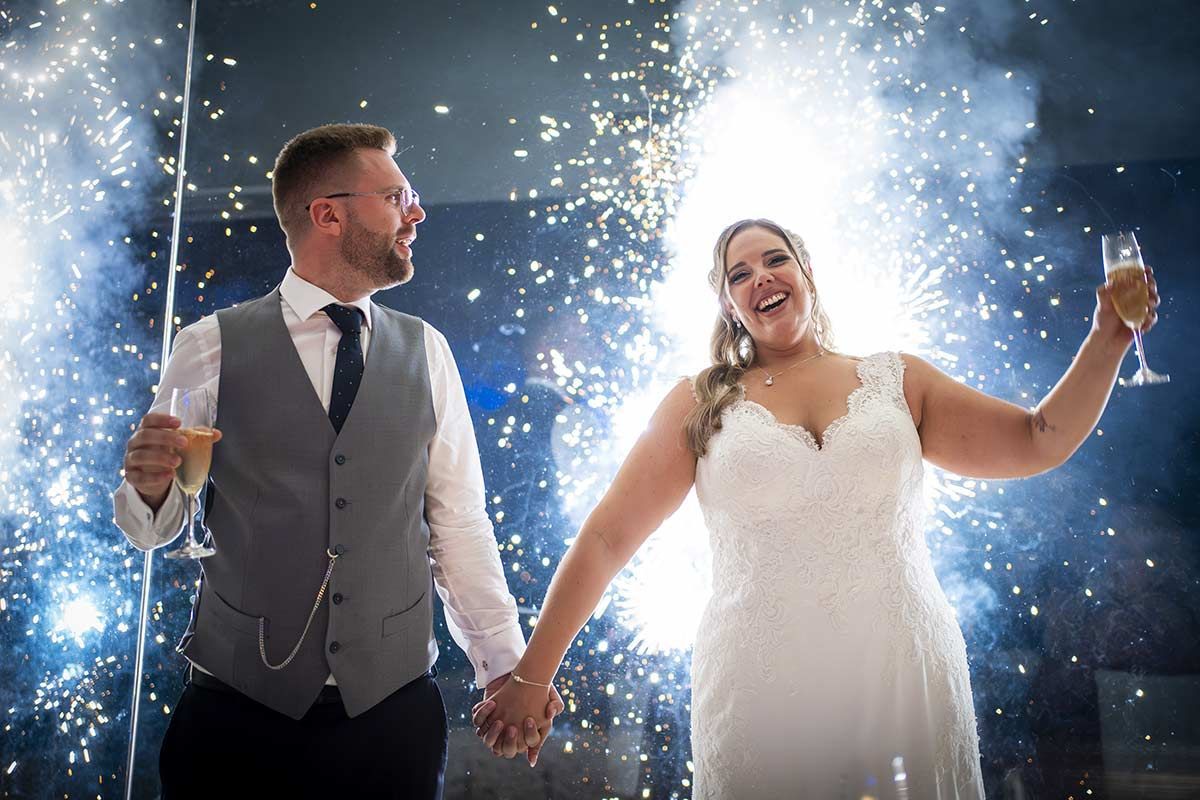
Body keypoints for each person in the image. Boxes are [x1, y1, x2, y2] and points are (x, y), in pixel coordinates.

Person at [471, 217, 1161, 797]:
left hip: (903, 664)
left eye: (776, 259)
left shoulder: (898, 379)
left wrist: (1106, 340)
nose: (761, 277)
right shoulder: (698, 401)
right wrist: (534, 674)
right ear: (728, 305)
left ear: (806, 273)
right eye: (739, 274)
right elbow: (605, 540)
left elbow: (1036, 440)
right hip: (762, 680)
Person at [113, 123, 560, 799]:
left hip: (391, 723)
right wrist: (148, 493)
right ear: (329, 214)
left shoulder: (428, 351)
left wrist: (504, 668)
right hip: (235, 719)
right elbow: (156, 529)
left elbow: (460, 525)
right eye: (397, 196)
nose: (417, 213)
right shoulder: (210, 345)